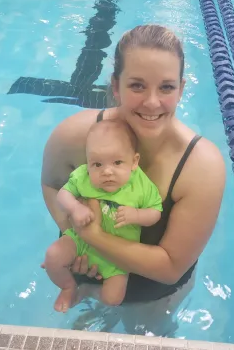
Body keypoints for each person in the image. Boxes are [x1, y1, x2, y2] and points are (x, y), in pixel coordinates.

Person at [41, 24, 226, 334]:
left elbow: (169, 268)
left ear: (181, 89)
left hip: (151, 296)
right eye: (137, 86)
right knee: (90, 324)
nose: (152, 102)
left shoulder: (200, 166)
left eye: (166, 87)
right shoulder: (75, 134)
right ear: (116, 86)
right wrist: (71, 233)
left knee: (148, 331)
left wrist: (93, 238)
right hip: (86, 272)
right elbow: (52, 183)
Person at [43, 119, 163, 313]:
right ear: (88, 162)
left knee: (113, 298)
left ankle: (88, 291)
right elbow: (62, 195)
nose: (107, 172)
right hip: (81, 243)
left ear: (134, 161)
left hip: (118, 255)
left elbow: (155, 212)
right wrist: (75, 208)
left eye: (117, 162)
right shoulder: (83, 176)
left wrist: (137, 215)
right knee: (53, 256)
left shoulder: (141, 185)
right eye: (97, 164)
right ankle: (68, 287)